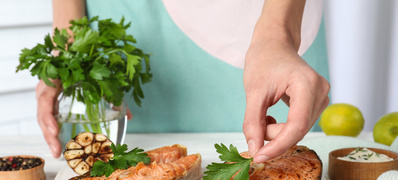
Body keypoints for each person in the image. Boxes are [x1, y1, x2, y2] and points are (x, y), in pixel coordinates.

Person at [36, 0, 330, 163]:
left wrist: (279, 34)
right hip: (123, 20)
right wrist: (69, 41)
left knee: (281, 159)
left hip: (267, 17)